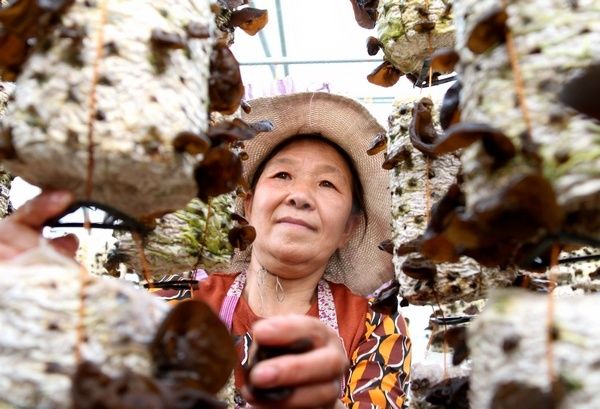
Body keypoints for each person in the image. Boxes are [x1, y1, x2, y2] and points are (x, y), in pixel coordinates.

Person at [0, 92, 411, 409]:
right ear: (247, 205)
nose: (299, 196)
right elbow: (93, 371)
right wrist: (33, 300)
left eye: (327, 184)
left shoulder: (374, 326)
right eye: (282, 174)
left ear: (349, 229)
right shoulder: (173, 301)